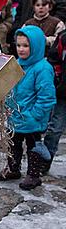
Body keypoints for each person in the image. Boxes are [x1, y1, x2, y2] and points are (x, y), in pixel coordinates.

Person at [0, 26, 56, 190]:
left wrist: (34, 115)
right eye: (19, 45)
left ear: (36, 46)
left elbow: (47, 96)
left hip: (32, 118)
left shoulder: (42, 68)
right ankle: (13, 168)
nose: (21, 49)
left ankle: (34, 175)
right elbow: (10, 87)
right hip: (15, 115)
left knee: (33, 146)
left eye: (26, 46)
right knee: (13, 143)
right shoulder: (17, 64)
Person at [42, 29, 66, 172]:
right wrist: (58, 80)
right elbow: (53, 59)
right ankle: (44, 162)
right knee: (55, 128)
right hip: (63, 93)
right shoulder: (63, 38)